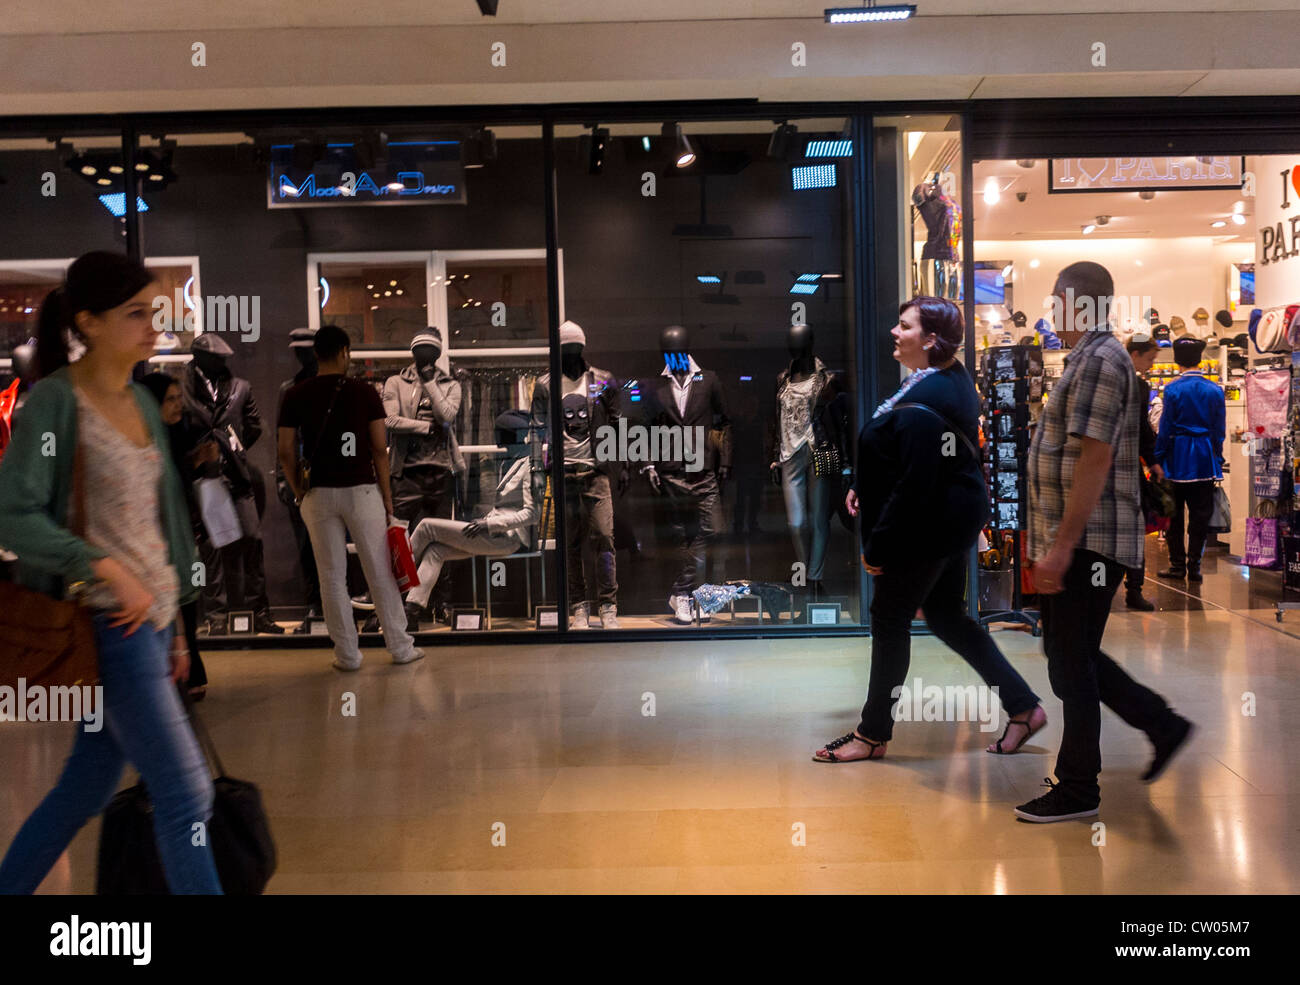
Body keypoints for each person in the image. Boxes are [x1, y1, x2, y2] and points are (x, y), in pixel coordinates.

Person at [0, 251, 222, 893]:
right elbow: (13, 515)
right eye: (136, 313)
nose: (153, 326)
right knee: (186, 794)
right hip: (109, 628)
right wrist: (95, 564)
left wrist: (177, 621)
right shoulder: (54, 406)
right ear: (90, 322)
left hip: (150, 628)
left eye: (154, 311)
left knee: (83, 789)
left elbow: (160, 523)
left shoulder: (139, 401)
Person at [813, 297, 1046, 764]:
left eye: (904, 327)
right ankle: (1024, 708)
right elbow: (902, 455)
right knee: (945, 616)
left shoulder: (929, 397)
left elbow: (915, 484)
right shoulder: (942, 379)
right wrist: (864, 482)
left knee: (889, 617)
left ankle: (872, 733)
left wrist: (878, 547)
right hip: (948, 519)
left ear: (931, 339)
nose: (894, 333)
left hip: (927, 526)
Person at [1019, 261, 1193, 823]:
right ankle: (1162, 724)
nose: (1050, 312)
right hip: (1080, 539)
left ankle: (1079, 788)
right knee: (1073, 657)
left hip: (1088, 542)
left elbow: (1093, 459)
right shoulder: (1091, 358)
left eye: (1055, 301)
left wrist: (1062, 547)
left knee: (1071, 665)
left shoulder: (1098, 359)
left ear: (1079, 303)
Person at [277, 323, 424, 671]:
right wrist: (387, 499)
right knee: (380, 572)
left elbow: (285, 451)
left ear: (315, 354)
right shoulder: (363, 392)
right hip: (361, 491)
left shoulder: (296, 394)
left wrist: (300, 492)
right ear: (345, 352)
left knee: (331, 577)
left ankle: (347, 655)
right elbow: (379, 449)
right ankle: (400, 648)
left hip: (318, 495)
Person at [181, 333, 282, 636]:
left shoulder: (240, 388)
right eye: (216, 358)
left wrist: (232, 450)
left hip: (237, 477)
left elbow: (253, 427)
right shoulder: (182, 389)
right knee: (210, 549)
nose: (223, 363)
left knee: (253, 539)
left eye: (224, 358)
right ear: (199, 358)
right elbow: (176, 431)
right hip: (203, 479)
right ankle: (216, 616)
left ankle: (260, 612)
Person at [530, 321, 625, 629]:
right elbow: (535, 430)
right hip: (563, 473)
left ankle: (608, 605)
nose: (571, 354)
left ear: (583, 349)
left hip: (595, 473)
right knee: (570, 544)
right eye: (565, 349)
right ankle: (578, 606)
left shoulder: (603, 380)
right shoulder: (546, 385)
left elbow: (618, 424)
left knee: (604, 538)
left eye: (575, 349)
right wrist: (536, 469)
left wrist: (622, 465)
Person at [405, 410, 541, 614]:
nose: (495, 438)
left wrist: (489, 524)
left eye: (500, 433)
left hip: (509, 539)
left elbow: (532, 515)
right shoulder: (507, 462)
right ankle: (411, 611)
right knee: (435, 551)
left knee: (426, 527)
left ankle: (391, 583)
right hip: (492, 532)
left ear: (514, 434)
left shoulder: (529, 466)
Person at [380, 329, 464, 625]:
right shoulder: (395, 382)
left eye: (430, 353)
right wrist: (425, 428)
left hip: (441, 471)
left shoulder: (450, 383)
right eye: (420, 352)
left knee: (440, 540)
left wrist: (430, 382)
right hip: (406, 473)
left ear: (438, 355)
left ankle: (440, 604)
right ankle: (397, 604)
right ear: (413, 353)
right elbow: (390, 420)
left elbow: (446, 416)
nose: (424, 358)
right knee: (399, 541)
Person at [140, 371, 210, 699]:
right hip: (159, 543)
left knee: (186, 602)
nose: (177, 405)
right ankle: (183, 674)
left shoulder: (176, 436)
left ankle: (187, 671)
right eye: (169, 400)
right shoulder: (147, 444)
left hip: (181, 537)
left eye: (179, 398)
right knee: (174, 605)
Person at [1155, 336, 1225, 584]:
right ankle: (1194, 566)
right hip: (1205, 457)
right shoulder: (1215, 390)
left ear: (1176, 361)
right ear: (1200, 359)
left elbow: (1165, 429)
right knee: (1201, 514)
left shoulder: (1172, 389)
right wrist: (1217, 454)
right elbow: (1219, 430)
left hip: (1177, 457)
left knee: (1174, 515)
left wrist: (1158, 457)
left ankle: (1176, 566)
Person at [1122, 332, 1163, 611]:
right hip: (1124, 467)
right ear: (1135, 355)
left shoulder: (1139, 385)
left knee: (1133, 529)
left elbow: (1142, 429)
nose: (1151, 364)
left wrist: (1152, 460)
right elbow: (1141, 429)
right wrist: (1151, 459)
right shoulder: (1134, 385)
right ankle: (1132, 589)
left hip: (1125, 466)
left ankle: (1132, 588)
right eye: (1149, 358)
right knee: (1133, 529)